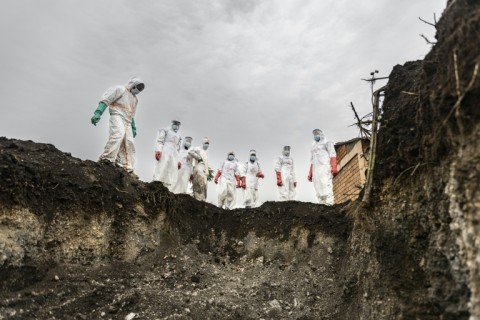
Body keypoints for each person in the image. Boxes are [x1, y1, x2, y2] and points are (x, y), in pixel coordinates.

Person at [90, 77, 145, 173]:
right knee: (118, 134)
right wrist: (98, 112)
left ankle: (126, 167)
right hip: (117, 115)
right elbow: (106, 99)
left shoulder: (135, 99)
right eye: (138, 87)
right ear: (133, 84)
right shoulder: (120, 89)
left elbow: (132, 114)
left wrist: (133, 127)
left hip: (127, 121)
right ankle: (107, 158)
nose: (138, 90)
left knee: (129, 142)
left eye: (140, 89)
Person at [308, 129, 338, 205]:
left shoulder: (327, 143)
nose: (316, 136)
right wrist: (310, 173)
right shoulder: (313, 147)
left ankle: (329, 204)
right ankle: (321, 205)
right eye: (314, 134)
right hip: (316, 171)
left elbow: (332, 155)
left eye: (317, 134)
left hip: (325, 168)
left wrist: (334, 167)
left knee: (326, 185)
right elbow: (312, 161)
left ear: (321, 134)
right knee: (318, 188)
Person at [153, 120, 182, 191]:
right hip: (165, 150)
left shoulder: (178, 136)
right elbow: (160, 141)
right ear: (172, 124)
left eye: (178, 125)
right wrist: (158, 150)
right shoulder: (165, 130)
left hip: (174, 153)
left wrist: (179, 160)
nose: (176, 126)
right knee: (162, 165)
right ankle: (157, 182)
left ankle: (167, 187)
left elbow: (178, 149)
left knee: (171, 168)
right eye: (175, 124)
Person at [188, 137, 210, 201]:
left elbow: (206, 163)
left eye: (208, 143)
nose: (207, 145)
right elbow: (190, 151)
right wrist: (197, 157)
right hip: (199, 167)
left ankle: (203, 199)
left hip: (204, 170)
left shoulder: (206, 152)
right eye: (206, 143)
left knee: (204, 185)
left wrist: (207, 171)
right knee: (199, 182)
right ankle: (198, 199)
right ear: (203, 143)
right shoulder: (198, 149)